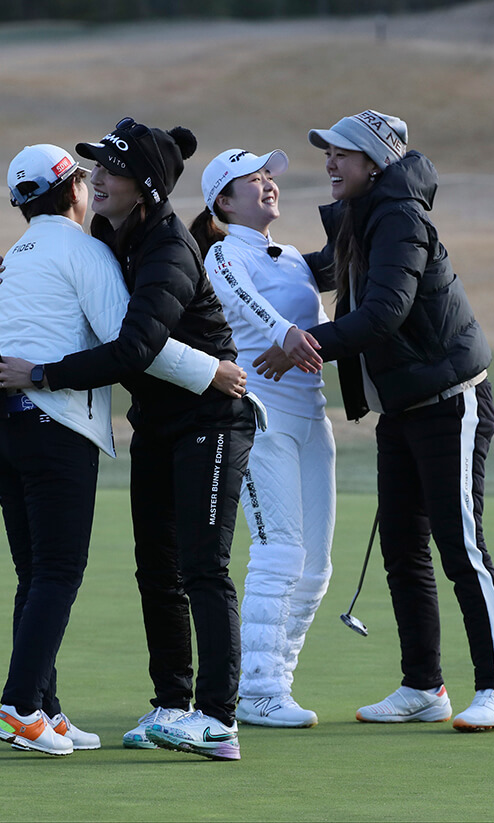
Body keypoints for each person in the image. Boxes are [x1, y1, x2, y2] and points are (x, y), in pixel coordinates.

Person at [0, 118, 259, 761]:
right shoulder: (106, 233)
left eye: (112, 170)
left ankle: (218, 720)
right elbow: (58, 267)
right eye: (95, 169)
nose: (99, 179)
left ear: (146, 186)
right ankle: (172, 705)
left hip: (211, 416)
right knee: (156, 569)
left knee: (203, 567)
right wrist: (4, 277)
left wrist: (40, 373)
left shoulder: (168, 248)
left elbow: (134, 348)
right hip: (158, 421)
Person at [257, 110, 494, 731]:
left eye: (342, 154)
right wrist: (237, 253)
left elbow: (383, 313)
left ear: (375, 164)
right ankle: (424, 687)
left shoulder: (399, 218)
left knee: (461, 547)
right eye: (328, 153)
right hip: (403, 409)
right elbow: (317, 270)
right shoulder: (364, 216)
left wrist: (302, 344)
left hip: (450, 402)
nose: (330, 163)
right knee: (403, 551)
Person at [188, 148, 334, 729]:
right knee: (280, 554)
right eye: (253, 179)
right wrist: (286, 332)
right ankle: (257, 689)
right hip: (258, 414)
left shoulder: (294, 257)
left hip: (311, 415)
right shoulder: (223, 253)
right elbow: (241, 300)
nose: (268, 184)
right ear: (223, 202)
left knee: (316, 567)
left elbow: (324, 332)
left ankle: (277, 680)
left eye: (270, 176)